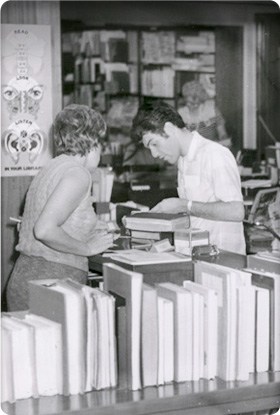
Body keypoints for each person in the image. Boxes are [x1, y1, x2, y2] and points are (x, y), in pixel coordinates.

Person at [6, 104, 114, 311]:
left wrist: (90, 228)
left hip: (29, 275)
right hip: (52, 279)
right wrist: (88, 248)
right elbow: (44, 230)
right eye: (101, 142)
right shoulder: (78, 174)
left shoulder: (53, 166)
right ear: (91, 142)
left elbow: (55, 218)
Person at [130, 101, 246, 254]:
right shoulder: (183, 161)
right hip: (200, 255)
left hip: (223, 259)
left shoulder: (214, 154)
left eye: (155, 144)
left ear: (169, 128)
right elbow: (197, 213)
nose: (154, 154)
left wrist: (184, 205)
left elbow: (236, 211)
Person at [177, 80, 231, 147]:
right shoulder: (180, 114)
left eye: (197, 103)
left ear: (202, 100)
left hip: (211, 150)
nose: (194, 106)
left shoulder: (213, 111)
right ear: (184, 100)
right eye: (190, 103)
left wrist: (224, 141)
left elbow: (223, 134)